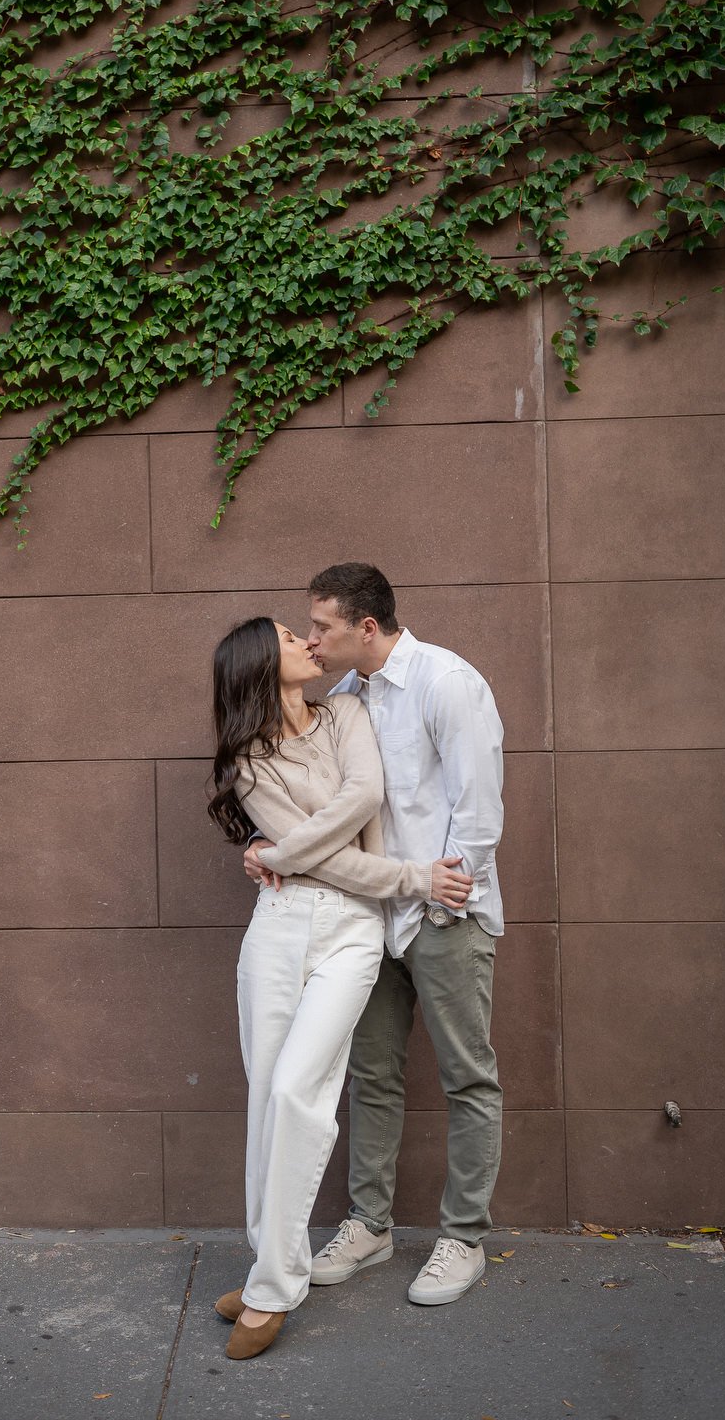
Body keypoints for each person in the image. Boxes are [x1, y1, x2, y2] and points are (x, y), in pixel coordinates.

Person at [208, 615, 472, 1360]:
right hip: (277, 926)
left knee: (300, 1089)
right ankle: (271, 1268)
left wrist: (277, 852)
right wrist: (293, 859)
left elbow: (362, 802)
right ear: (262, 664)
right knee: (268, 1097)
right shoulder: (250, 762)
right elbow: (325, 856)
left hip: (352, 931)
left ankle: (270, 1291)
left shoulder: (346, 712)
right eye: (290, 637)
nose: (308, 642)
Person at [245, 564, 505, 1307]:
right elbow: (323, 808)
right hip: (367, 920)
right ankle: (370, 1225)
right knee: (372, 1078)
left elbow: (478, 809)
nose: (311, 639)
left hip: (443, 911)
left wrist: (447, 899)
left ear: (365, 627)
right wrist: (265, 845)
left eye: (320, 626)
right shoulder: (345, 700)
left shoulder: (445, 682)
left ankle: (464, 1238)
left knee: (467, 1077)